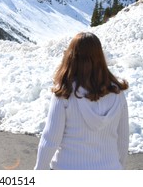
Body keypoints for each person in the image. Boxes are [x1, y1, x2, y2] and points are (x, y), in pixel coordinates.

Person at [34, 32, 129, 170]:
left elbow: (50, 139)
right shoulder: (117, 93)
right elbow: (123, 139)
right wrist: (119, 166)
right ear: (100, 57)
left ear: (71, 57)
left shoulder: (64, 93)